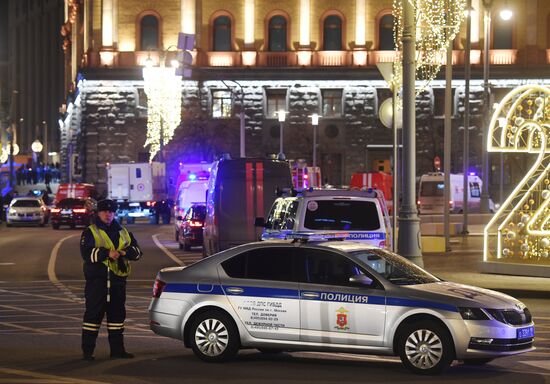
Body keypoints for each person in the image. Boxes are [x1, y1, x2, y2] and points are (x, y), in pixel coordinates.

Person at [79, 199, 143, 361]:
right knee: (92, 318)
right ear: (98, 213)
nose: (108, 214)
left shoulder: (123, 231)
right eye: (104, 212)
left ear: (115, 213)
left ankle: (117, 351)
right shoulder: (90, 232)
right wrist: (106, 253)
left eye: (111, 212)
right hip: (97, 282)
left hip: (117, 282)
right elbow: (86, 254)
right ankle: (88, 352)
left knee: (117, 318)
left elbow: (137, 252)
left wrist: (124, 253)